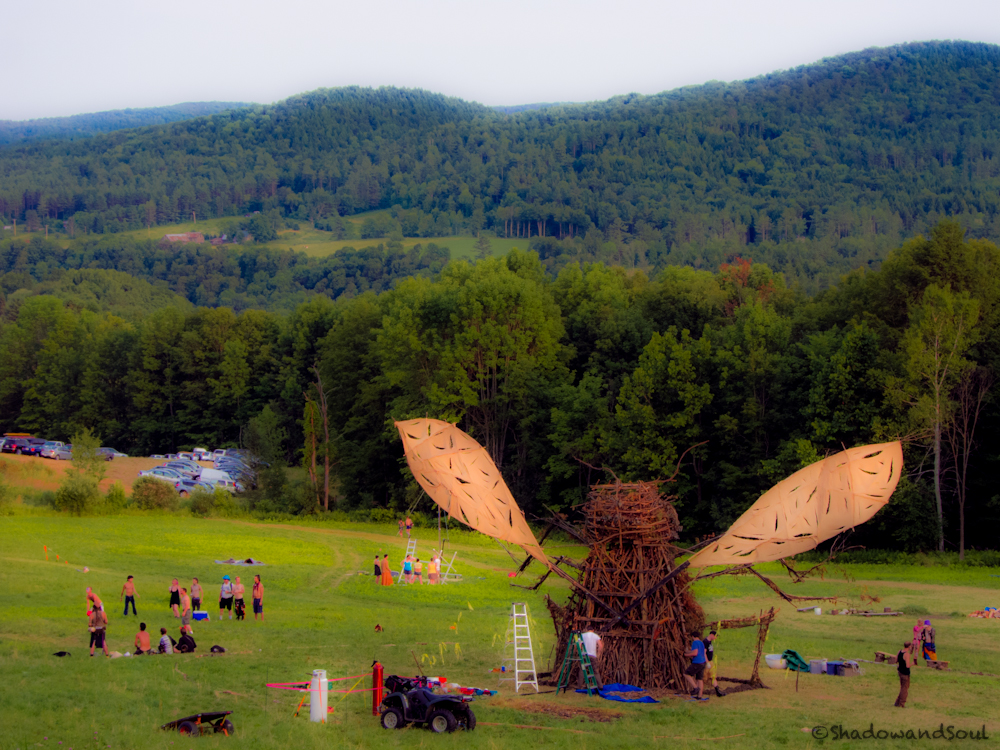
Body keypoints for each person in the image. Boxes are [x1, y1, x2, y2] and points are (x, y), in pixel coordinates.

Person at [683, 632, 708, 701]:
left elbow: (695, 653)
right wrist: (687, 652)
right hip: (703, 662)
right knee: (699, 679)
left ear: (693, 636)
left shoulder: (695, 643)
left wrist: (686, 655)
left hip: (697, 662)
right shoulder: (701, 642)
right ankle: (699, 696)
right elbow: (696, 651)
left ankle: (695, 688)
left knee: (686, 674)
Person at [703, 630, 722, 697]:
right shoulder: (705, 642)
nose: (715, 638)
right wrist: (707, 662)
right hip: (706, 662)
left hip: (711, 662)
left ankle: (718, 691)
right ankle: (699, 690)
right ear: (711, 634)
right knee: (704, 677)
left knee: (713, 676)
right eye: (715, 636)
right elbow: (704, 652)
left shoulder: (710, 642)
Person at [895, 640, 913, 707]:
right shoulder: (907, 654)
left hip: (900, 672)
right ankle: (901, 703)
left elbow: (896, 660)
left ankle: (897, 702)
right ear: (909, 646)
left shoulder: (899, 652)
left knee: (903, 687)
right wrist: (913, 663)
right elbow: (907, 665)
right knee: (904, 689)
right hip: (905, 673)